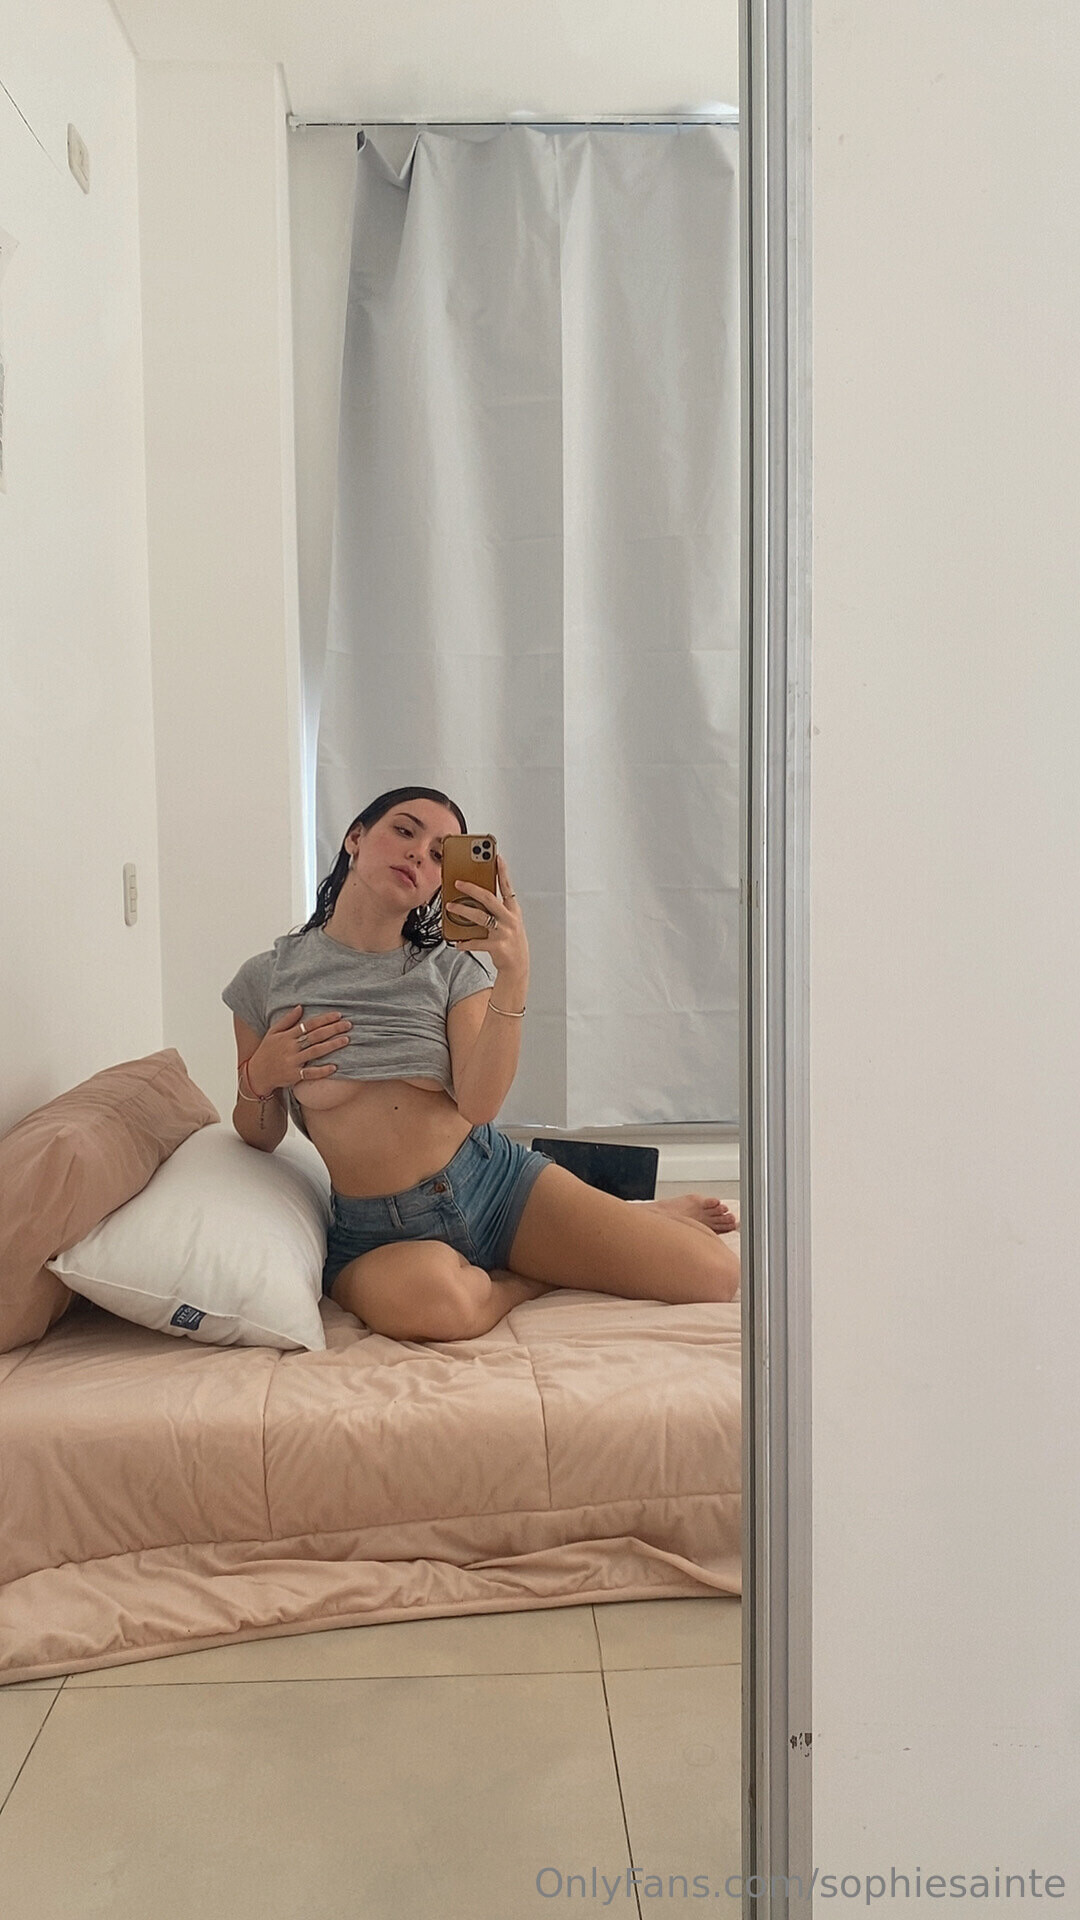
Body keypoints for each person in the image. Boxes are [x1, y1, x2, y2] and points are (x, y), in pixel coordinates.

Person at [223, 786, 740, 1342]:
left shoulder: (452, 969)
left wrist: (514, 973)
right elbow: (260, 1136)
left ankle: (599, 1234)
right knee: (436, 1308)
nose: (419, 854)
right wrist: (259, 1077)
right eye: (404, 830)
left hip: (496, 1185)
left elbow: (480, 1104)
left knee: (714, 1274)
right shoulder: (268, 978)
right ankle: (533, 1274)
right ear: (355, 837)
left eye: (440, 854)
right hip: (378, 1231)